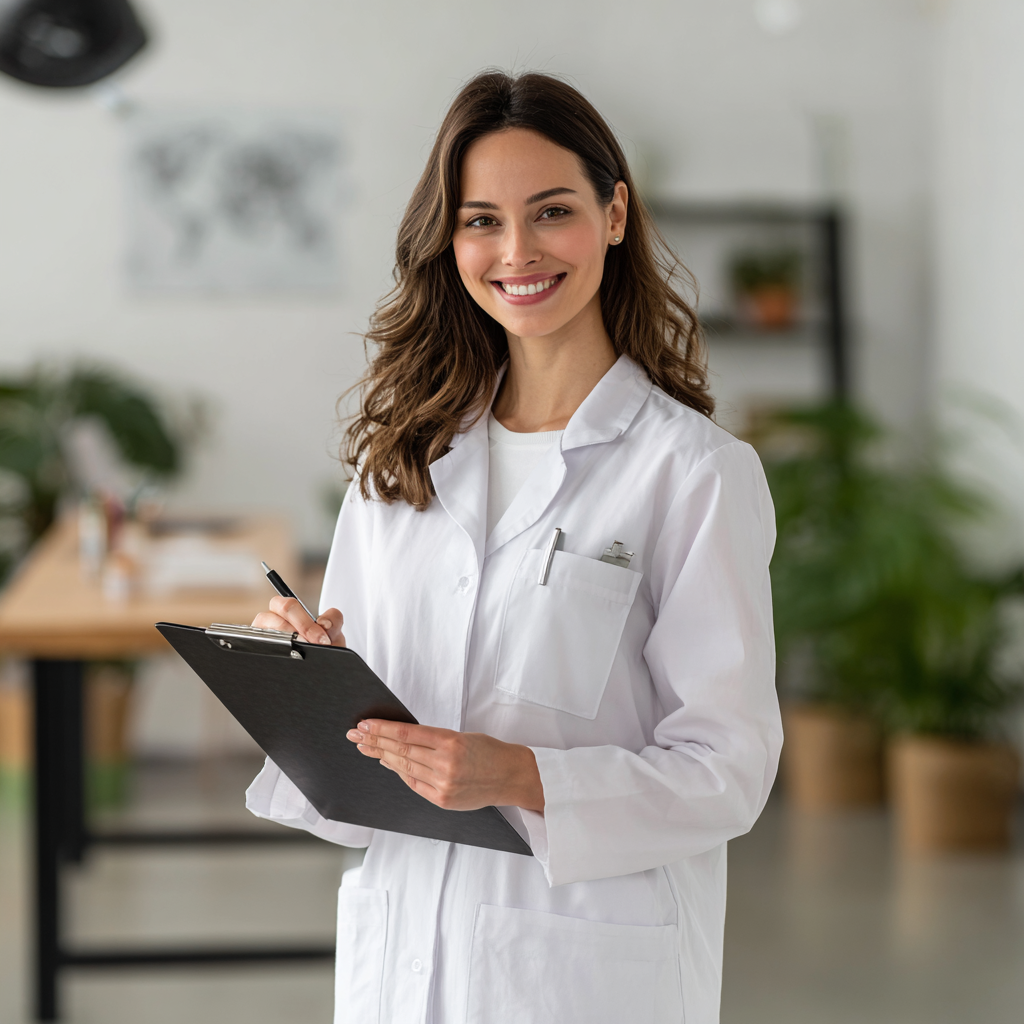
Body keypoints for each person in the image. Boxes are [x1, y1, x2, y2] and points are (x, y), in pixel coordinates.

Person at [246, 70, 781, 1024]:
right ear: (448, 241)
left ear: (615, 214)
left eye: (552, 211)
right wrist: (309, 680)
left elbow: (727, 770)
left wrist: (519, 775)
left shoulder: (694, 472)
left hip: (583, 972)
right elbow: (370, 756)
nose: (517, 251)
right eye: (481, 220)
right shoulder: (402, 459)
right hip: (402, 955)